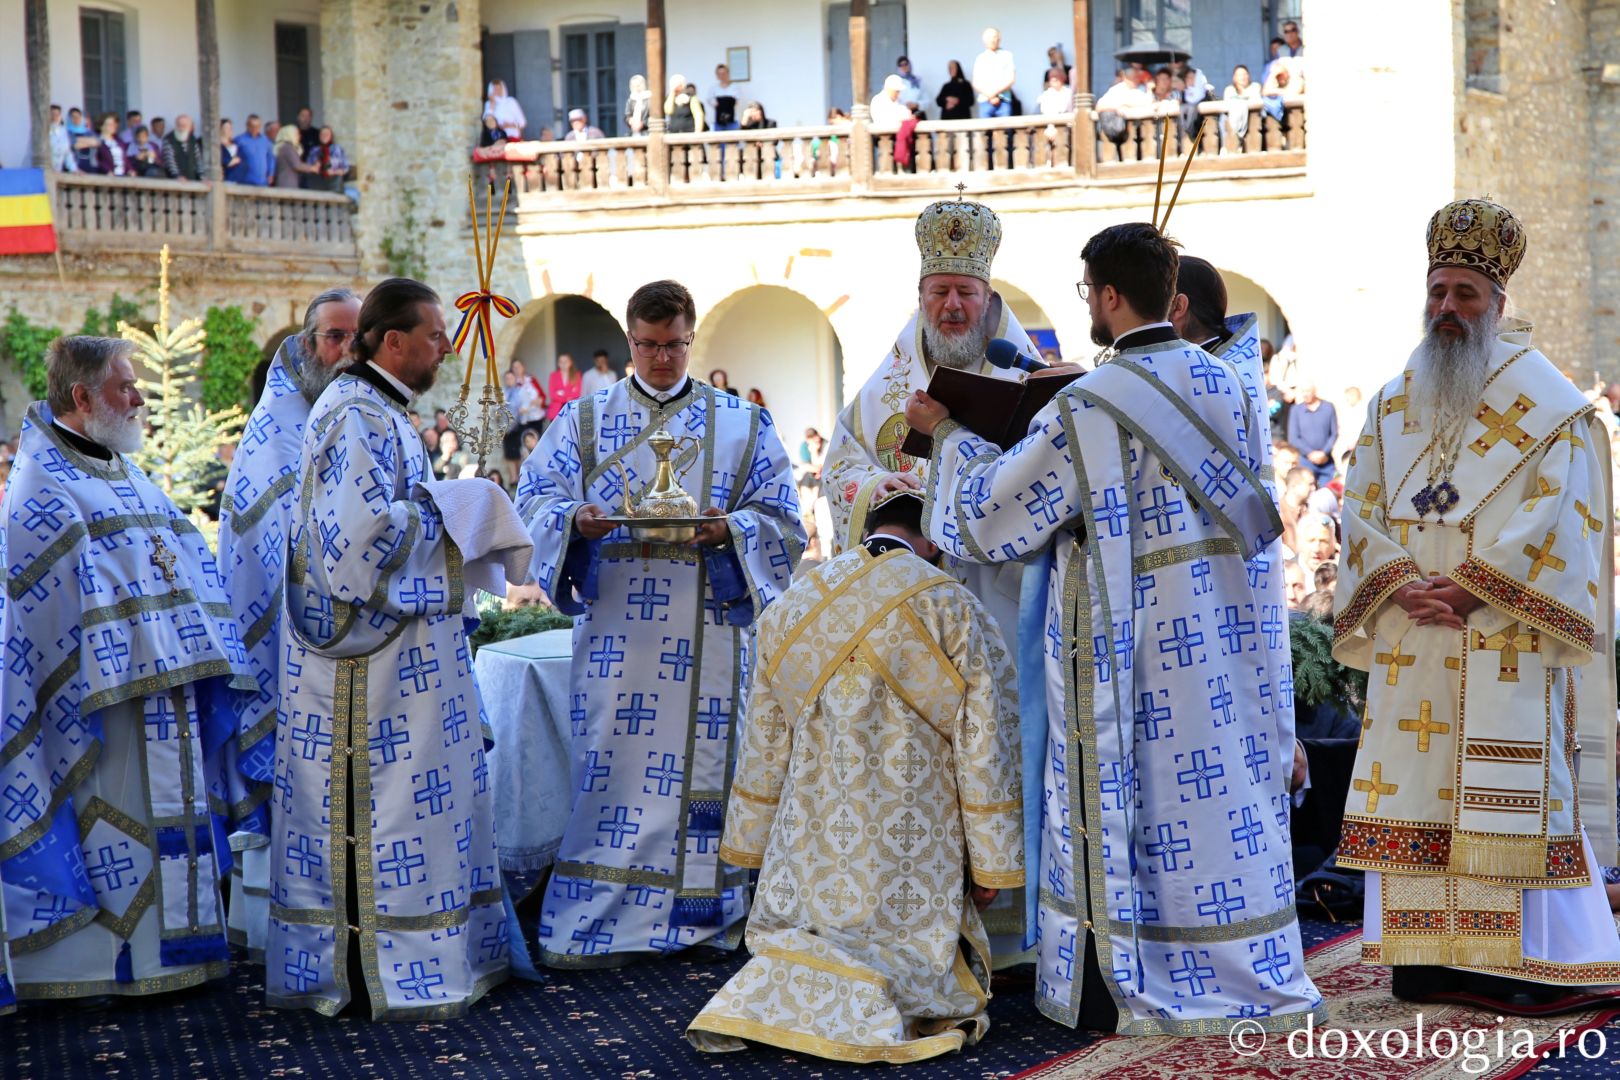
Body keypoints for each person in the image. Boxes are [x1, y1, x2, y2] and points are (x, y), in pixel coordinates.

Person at [906, 221, 1323, 1034]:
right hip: (1219, 641)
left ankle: (1125, 977)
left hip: (1129, 656)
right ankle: (1247, 965)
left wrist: (945, 435)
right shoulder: (1229, 383)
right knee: (1217, 800)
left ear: (1105, 296)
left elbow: (996, 520)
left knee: (1143, 808)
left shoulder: (1091, 404)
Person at [1332, 198, 1620, 1013]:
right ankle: (1427, 955)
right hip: (1413, 634)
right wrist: (1395, 578)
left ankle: (1531, 961)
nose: (1448, 309)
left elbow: (1563, 516)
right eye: (1438, 291)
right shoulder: (1392, 401)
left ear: (1498, 303)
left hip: (1502, 636)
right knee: (1418, 786)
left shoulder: (1552, 406)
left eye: (1465, 294)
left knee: (1514, 793)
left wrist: (1468, 587)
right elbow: (1359, 503)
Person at [515, 279, 804, 967]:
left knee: (710, 769)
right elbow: (533, 502)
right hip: (620, 637)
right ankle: (607, 914)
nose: (661, 360)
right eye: (647, 347)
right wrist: (575, 522)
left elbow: (784, 521)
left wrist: (727, 530)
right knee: (616, 772)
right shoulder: (583, 424)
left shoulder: (742, 423)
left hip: (709, 629)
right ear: (628, 340)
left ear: (690, 337)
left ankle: (706, 915)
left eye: (674, 346)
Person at [686, 490, 1022, 1062]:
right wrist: (990, 860)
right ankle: (878, 999)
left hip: (811, 838)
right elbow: (986, 739)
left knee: (803, 941)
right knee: (908, 959)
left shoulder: (793, 603)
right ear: (934, 542)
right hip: (914, 835)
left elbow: (764, 741)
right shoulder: (950, 602)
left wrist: (751, 842)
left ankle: (784, 993)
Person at [272, 277, 530, 1017]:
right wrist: (455, 507)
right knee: (386, 817)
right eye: (434, 335)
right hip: (373, 678)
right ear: (393, 343)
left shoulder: (380, 410)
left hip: (404, 671)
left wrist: (444, 503)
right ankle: (380, 963)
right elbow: (354, 549)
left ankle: (437, 951)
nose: (446, 347)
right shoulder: (355, 416)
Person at [0, 336, 254, 1008]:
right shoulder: (41, 482)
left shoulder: (123, 468)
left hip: (165, 689)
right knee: (114, 822)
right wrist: (134, 649)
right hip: (95, 707)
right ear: (82, 398)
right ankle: (109, 965)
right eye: (124, 387)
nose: (140, 398)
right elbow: (45, 608)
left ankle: (181, 955)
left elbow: (181, 559)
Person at [215, 288, 360, 957]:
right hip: (293, 643)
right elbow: (269, 556)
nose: (347, 351)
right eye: (335, 337)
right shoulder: (277, 433)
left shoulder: (355, 415)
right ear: (306, 347)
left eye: (357, 337)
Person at [823, 194, 1040, 640]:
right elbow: (841, 464)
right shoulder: (887, 384)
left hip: (996, 595)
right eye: (940, 292)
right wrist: (872, 486)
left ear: (989, 298)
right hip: (905, 596)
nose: (952, 305)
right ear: (921, 298)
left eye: (966, 292)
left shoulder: (1023, 378)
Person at [1286, 381, 1337, 486]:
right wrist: (1310, 453)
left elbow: (1334, 434)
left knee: (1327, 493)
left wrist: (1323, 453)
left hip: (1326, 461)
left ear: (1314, 391)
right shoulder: (1296, 410)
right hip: (1306, 461)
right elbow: (1293, 438)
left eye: (1308, 391)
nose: (1305, 394)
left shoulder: (1328, 407)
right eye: (1303, 392)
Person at [1095, 68, 1148, 157]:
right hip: (1117, 130)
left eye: (1137, 78)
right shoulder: (1116, 90)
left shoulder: (1140, 91)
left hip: (1139, 134)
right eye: (1133, 78)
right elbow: (1099, 106)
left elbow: (1148, 104)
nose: (1136, 80)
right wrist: (1116, 108)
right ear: (1126, 78)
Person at [972, 27, 1017, 118]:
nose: (992, 40)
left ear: (999, 38)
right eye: (989, 37)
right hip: (985, 101)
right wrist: (990, 95)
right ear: (984, 40)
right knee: (985, 131)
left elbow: (1011, 79)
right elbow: (976, 82)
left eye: (994, 37)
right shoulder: (980, 58)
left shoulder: (1007, 55)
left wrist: (995, 93)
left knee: (1005, 130)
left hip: (1003, 100)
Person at [229, 115, 273, 186]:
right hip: (245, 181)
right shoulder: (239, 140)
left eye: (257, 126)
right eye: (253, 126)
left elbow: (270, 158)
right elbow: (231, 157)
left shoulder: (265, 141)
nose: (255, 129)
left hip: (262, 182)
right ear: (247, 125)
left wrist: (271, 174)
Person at [1222, 64, 1262, 145]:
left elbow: (1256, 100)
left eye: (1244, 74)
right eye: (1239, 75)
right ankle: (1226, 145)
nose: (1242, 77)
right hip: (1233, 119)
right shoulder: (1229, 90)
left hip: (1251, 121)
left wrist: (1242, 95)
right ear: (1234, 78)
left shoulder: (1255, 87)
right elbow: (1227, 104)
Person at [305, 126, 348, 193]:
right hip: (318, 181)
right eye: (322, 134)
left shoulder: (337, 149)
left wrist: (334, 172)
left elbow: (345, 168)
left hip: (333, 181)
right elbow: (307, 166)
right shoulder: (314, 150)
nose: (324, 136)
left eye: (327, 134)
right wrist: (314, 167)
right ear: (319, 136)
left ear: (331, 136)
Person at [273, 124, 318, 189]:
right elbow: (297, 165)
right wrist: (312, 168)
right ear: (290, 134)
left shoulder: (284, 147)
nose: (299, 136)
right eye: (297, 134)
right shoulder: (288, 148)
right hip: (287, 184)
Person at [162, 114, 204, 180]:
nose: (181, 128)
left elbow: (198, 160)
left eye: (184, 126)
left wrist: (202, 177)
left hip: (192, 179)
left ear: (190, 127)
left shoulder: (192, 140)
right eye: (179, 125)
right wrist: (177, 176)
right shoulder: (169, 140)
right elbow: (169, 161)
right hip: (174, 181)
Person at [547, 352, 583, 422]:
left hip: (572, 410)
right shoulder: (553, 376)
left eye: (565, 362)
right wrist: (570, 394)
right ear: (558, 363)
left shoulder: (577, 375)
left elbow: (578, 393)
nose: (563, 364)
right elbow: (552, 395)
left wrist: (561, 393)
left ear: (570, 363)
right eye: (561, 362)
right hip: (556, 411)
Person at [708, 64, 739, 132]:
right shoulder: (714, 88)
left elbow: (737, 102)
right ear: (717, 75)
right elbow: (711, 101)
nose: (722, 76)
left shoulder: (734, 87)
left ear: (728, 74)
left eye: (724, 73)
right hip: (718, 122)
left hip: (732, 121)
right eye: (720, 74)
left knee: (733, 141)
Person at [47, 104, 76, 172]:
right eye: (52, 114)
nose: (55, 117)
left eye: (57, 114)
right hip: (44, 171)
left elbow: (67, 153)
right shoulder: (42, 131)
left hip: (58, 171)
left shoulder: (63, 131)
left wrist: (74, 169)